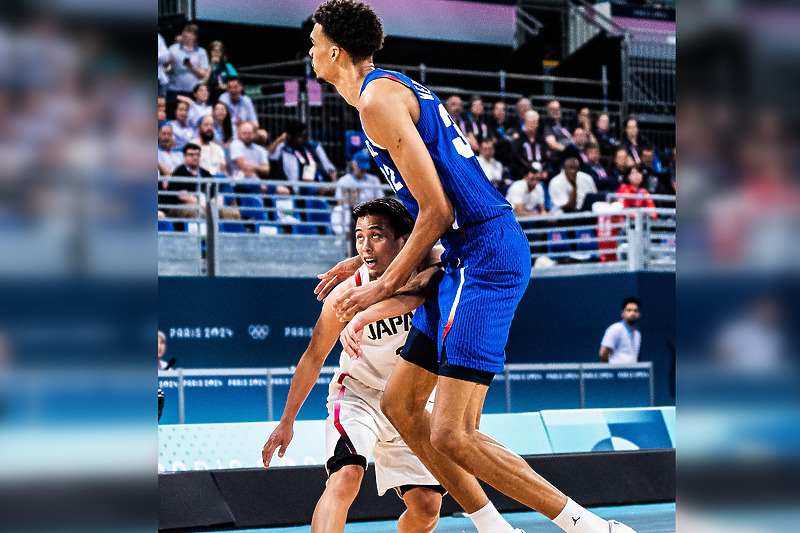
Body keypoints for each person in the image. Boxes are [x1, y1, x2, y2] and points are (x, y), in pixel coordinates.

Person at [308, 2, 638, 533]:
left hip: (483, 255)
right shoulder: (386, 91)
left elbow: (438, 212)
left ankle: (590, 527)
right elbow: (428, 207)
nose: (310, 48)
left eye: (315, 39)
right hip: (465, 253)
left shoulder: (375, 101)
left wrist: (382, 286)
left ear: (336, 50)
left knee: (453, 432)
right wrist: (369, 258)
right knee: (402, 404)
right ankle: (493, 526)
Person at [262, 198, 444, 533]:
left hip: (412, 401)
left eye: (376, 236)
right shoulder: (345, 294)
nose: (365, 246)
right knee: (345, 478)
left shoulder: (427, 272)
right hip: (358, 397)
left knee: (427, 507)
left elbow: (435, 253)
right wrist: (286, 422)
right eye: (359, 237)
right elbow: (313, 357)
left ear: (403, 240)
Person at [166, 23, 210, 100]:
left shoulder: (201, 52)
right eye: (184, 31)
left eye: (189, 32)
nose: (184, 33)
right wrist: (168, 63)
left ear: (195, 36)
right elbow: (167, 69)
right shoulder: (173, 49)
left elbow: (204, 74)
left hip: (193, 91)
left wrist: (192, 66)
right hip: (174, 90)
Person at [600, 297, 642, 364]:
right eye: (629, 310)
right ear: (622, 313)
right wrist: (611, 370)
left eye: (635, 311)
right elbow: (603, 354)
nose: (632, 313)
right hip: (616, 372)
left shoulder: (637, 335)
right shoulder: (616, 328)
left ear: (639, 314)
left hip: (632, 372)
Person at [509, 110, 546, 180]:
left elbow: (546, 160)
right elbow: (515, 162)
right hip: (523, 177)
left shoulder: (542, 142)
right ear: (524, 124)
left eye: (533, 123)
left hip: (539, 177)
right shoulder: (518, 141)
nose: (531, 125)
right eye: (528, 122)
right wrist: (527, 173)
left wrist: (544, 172)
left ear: (537, 124)